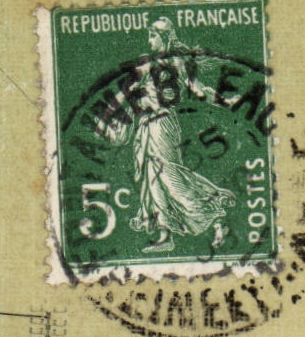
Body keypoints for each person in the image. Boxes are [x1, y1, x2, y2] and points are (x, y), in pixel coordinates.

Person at [98, 17, 236, 254]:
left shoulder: (167, 64)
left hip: (162, 125)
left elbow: (198, 91)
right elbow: (125, 91)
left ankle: (216, 215)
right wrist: (107, 115)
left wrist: (224, 101)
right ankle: (165, 235)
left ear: (163, 37)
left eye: (153, 36)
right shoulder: (158, 63)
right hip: (147, 126)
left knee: (170, 177)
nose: (149, 40)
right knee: (153, 181)